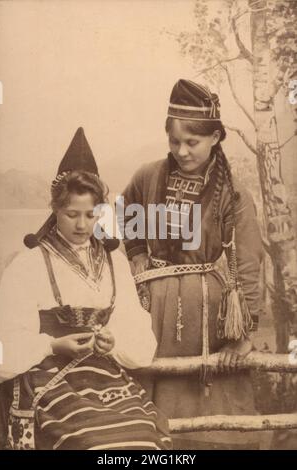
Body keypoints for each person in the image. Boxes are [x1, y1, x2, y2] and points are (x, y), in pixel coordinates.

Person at [0, 127, 171, 450]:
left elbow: (142, 344)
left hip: (105, 380)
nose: (81, 225)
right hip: (48, 380)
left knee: (144, 439)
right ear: (55, 210)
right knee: (92, 442)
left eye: (90, 215)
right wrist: (52, 345)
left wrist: (113, 341)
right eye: (71, 214)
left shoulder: (115, 263)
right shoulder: (29, 264)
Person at [122, 80, 263, 449]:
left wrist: (243, 338)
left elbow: (248, 263)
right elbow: (122, 214)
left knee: (212, 418)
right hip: (154, 316)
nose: (181, 151)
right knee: (154, 422)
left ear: (216, 137)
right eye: (174, 142)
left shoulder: (233, 194)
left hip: (209, 319)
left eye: (192, 142)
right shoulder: (147, 176)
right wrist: (137, 253)